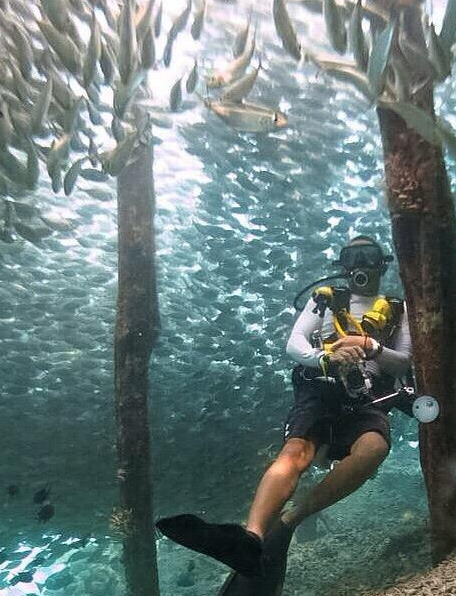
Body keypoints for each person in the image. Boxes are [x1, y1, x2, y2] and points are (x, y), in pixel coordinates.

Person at [156, 236, 412, 578]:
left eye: (369, 257)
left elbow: (404, 362)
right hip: (320, 391)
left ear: (382, 264)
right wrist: (326, 358)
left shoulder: (399, 309)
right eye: (353, 257)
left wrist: (369, 346)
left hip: (367, 399)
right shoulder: (323, 301)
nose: (361, 265)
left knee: (374, 448)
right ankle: (250, 538)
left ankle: (292, 518)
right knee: (294, 454)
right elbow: (294, 343)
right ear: (342, 265)